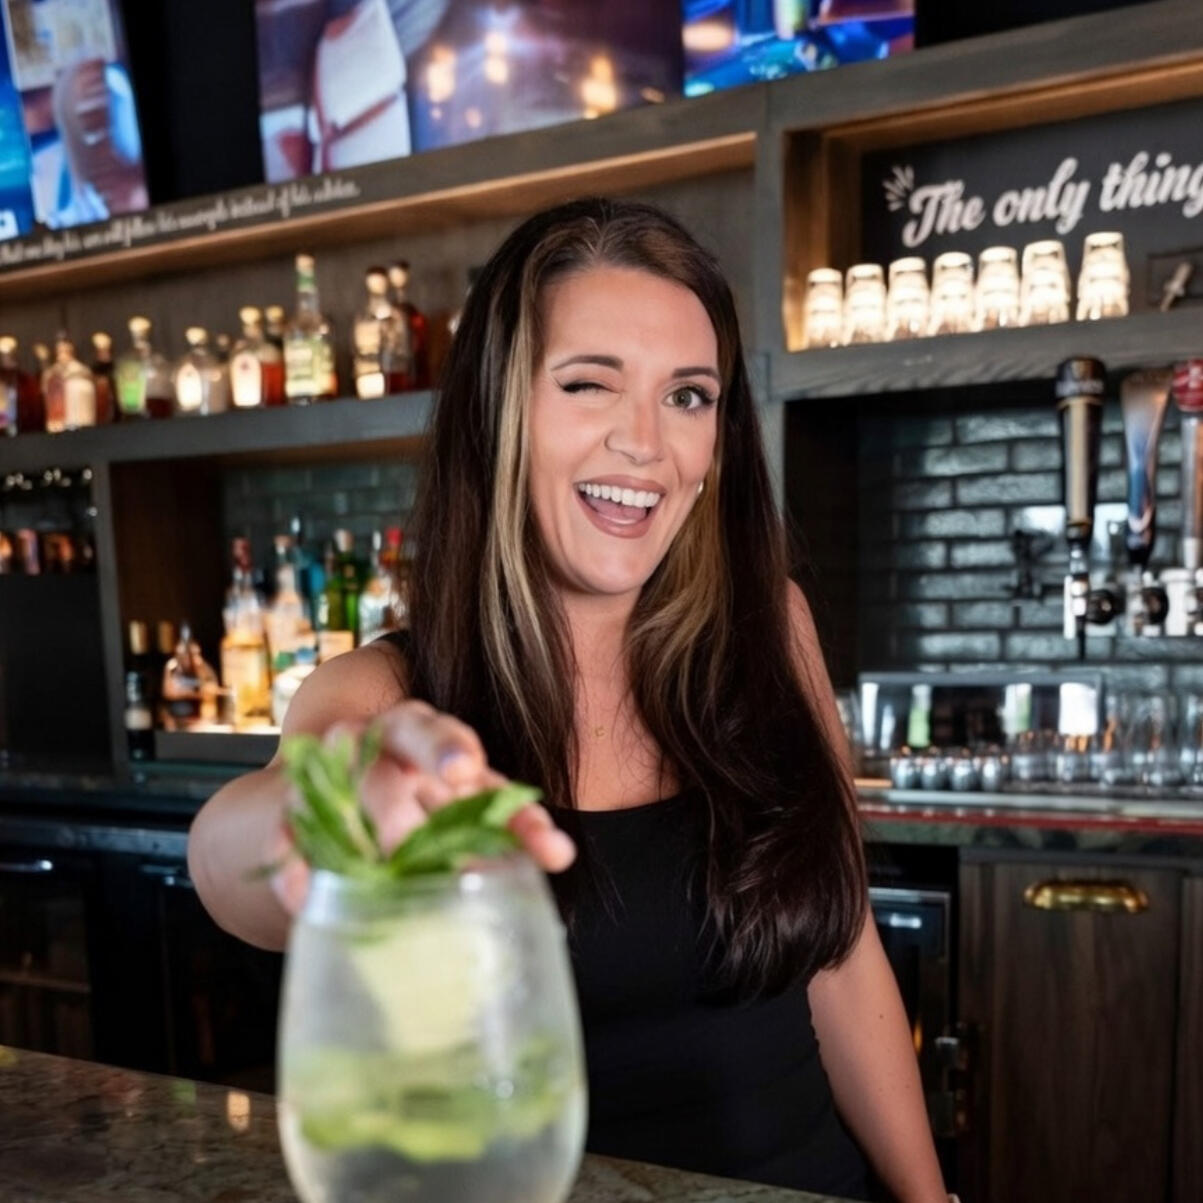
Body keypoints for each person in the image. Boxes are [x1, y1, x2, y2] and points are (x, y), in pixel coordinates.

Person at [188, 197, 949, 1202]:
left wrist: (930, 1197)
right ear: (495, 412)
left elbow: (844, 958)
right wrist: (335, 819)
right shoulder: (387, 694)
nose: (646, 443)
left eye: (688, 396)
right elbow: (231, 857)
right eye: (589, 383)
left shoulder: (775, 627)